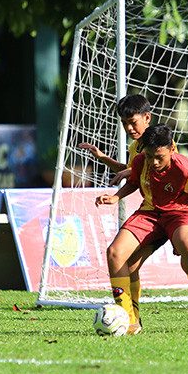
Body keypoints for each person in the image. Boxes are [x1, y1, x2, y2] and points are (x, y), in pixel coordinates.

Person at [95, 124, 188, 333]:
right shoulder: (140, 161)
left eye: (159, 157)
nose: (154, 162)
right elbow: (134, 181)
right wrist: (116, 197)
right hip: (150, 213)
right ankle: (128, 320)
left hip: (180, 213)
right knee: (115, 253)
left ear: (172, 149)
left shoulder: (184, 170)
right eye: (150, 155)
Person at [79, 94, 159, 324]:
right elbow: (131, 170)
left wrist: (129, 175)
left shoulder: (160, 142)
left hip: (172, 213)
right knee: (122, 259)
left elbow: (149, 167)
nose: (129, 128)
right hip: (151, 212)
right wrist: (103, 158)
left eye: (133, 122)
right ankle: (130, 320)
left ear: (147, 118)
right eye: (124, 123)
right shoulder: (136, 148)